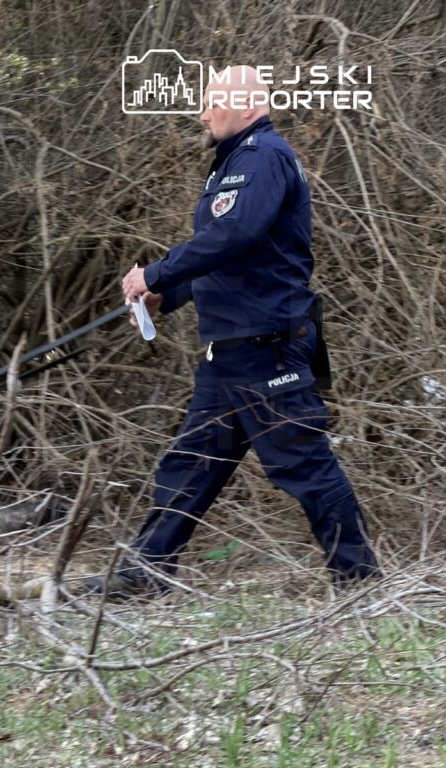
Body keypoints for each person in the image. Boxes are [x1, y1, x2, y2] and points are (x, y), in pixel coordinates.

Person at [88, 66, 381, 599]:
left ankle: (359, 581)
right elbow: (232, 259)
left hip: (268, 347)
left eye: (212, 103)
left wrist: (154, 272)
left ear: (248, 107)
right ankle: (144, 575)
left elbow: (236, 234)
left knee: (304, 465)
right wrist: (166, 295)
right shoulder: (234, 165)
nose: (202, 113)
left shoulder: (263, 158)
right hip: (229, 355)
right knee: (191, 465)